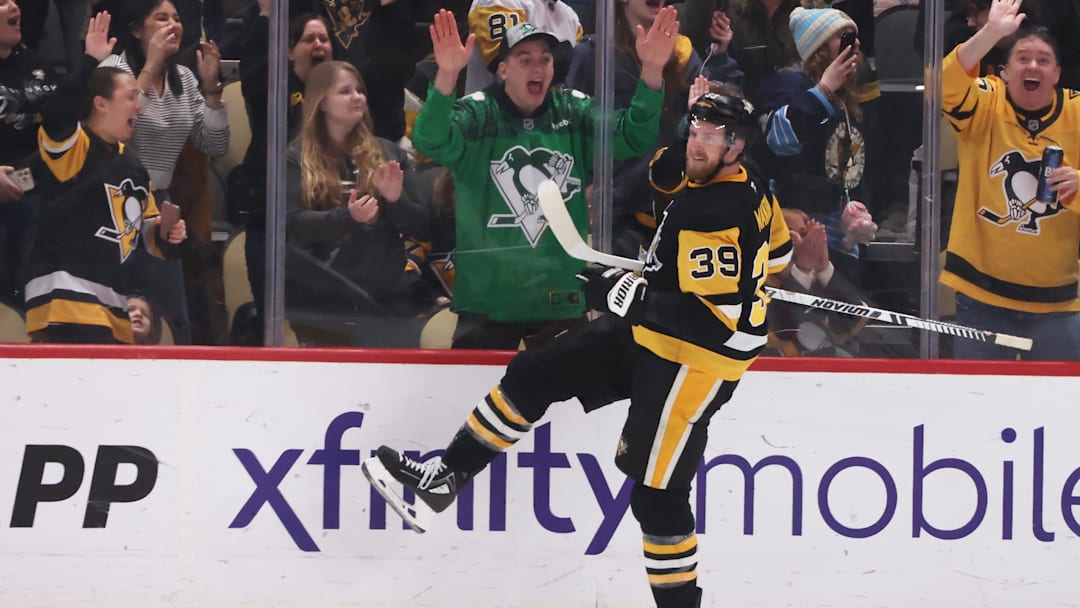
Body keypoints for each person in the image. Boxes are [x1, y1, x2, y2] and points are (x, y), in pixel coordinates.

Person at [362, 92, 791, 608]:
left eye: (710, 136)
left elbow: (704, 315)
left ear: (735, 148)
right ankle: (444, 480)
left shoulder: (717, 210)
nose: (696, 143)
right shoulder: (746, 183)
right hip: (655, 336)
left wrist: (631, 298)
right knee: (534, 373)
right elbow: (780, 254)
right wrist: (737, 275)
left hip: (697, 362)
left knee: (657, 498)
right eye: (695, 130)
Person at [411, 10, 673, 349]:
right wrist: (447, 74)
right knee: (479, 401)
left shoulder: (573, 110)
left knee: (566, 397)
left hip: (559, 295)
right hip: (488, 303)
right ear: (502, 69)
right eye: (525, 59)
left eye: (545, 59)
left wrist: (652, 70)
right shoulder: (478, 114)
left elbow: (632, 136)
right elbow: (429, 140)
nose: (538, 68)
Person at [25, 12, 187, 344]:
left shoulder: (133, 166)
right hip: (66, 297)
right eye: (130, 97)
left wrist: (170, 234)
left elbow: (148, 236)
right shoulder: (75, 147)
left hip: (112, 304)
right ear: (100, 103)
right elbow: (55, 116)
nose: (139, 106)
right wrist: (89, 62)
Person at [940, 0, 1080, 360]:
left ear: (1058, 73)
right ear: (1004, 70)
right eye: (1023, 58)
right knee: (976, 406)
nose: (1033, 66)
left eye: (1043, 60)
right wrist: (991, 33)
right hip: (981, 292)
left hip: (1057, 300)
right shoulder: (987, 100)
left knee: (1057, 411)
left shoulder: (1078, 111)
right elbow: (945, 83)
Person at [566, 0, 743, 257]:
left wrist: (718, 63)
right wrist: (587, 184)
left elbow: (726, 106)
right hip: (617, 208)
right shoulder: (593, 53)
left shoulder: (682, 51)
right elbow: (571, 128)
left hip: (673, 200)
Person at [99, 0, 228, 344]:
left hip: (161, 201)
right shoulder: (114, 68)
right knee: (119, 308)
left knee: (170, 312)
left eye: (177, 18)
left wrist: (213, 90)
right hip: (113, 202)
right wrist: (151, 66)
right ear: (137, 29)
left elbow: (214, 144)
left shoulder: (183, 78)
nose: (173, 24)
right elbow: (110, 128)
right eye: (161, 18)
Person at [284, 61, 436, 344]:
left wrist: (394, 202)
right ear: (321, 103)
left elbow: (425, 227)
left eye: (359, 90)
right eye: (344, 91)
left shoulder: (389, 153)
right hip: (323, 306)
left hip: (388, 303)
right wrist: (348, 218)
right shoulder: (296, 158)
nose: (357, 97)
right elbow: (291, 224)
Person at [231, 5, 334, 339]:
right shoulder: (273, 87)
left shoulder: (344, 90)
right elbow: (254, 76)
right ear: (289, 51)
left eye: (324, 38)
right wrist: (264, 14)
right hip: (269, 222)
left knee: (321, 325)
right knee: (271, 323)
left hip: (323, 226)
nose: (318, 44)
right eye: (309, 39)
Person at [756, 6, 877, 263]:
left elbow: (854, 164)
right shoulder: (787, 84)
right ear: (819, 47)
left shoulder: (847, 98)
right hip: (797, 228)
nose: (854, 43)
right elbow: (780, 140)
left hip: (841, 237)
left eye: (855, 36)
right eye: (843, 36)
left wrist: (857, 208)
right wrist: (822, 90)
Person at [0, 0, 62, 308]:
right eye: (2, 3)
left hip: (32, 192)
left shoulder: (37, 66)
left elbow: (65, 125)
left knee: (32, 292)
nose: (14, 6)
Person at [463, 0, 583, 94]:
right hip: (494, 120)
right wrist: (571, 58)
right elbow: (509, 65)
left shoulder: (571, 17)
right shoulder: (496, 1)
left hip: (550, 121)